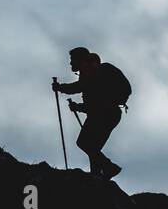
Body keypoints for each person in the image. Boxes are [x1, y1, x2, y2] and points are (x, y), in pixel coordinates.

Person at [52, 47, 124, 178]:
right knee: (93, 147)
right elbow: (96, 102)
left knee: (85, 143)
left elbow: (80, 88)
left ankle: (109, 167)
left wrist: (60, 87)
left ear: (79, 59)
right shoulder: (95, 71)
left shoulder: (89, 69)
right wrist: (78, 107)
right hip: (111, 114)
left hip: (103, 114)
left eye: (72, 60)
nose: (70, 63)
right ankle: (97, 175)